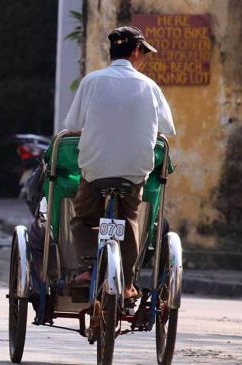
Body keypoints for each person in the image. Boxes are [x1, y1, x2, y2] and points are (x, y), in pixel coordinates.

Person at [64, 26, 176, 300]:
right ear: (136, 51)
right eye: (144, 54)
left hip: (96, 169)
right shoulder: (150, 86)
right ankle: (126, 284)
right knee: (128, 219)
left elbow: (72, 125)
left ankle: (89, 267)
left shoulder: (92, 81)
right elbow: (166, 129)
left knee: (83, 218)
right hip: (133, 172)